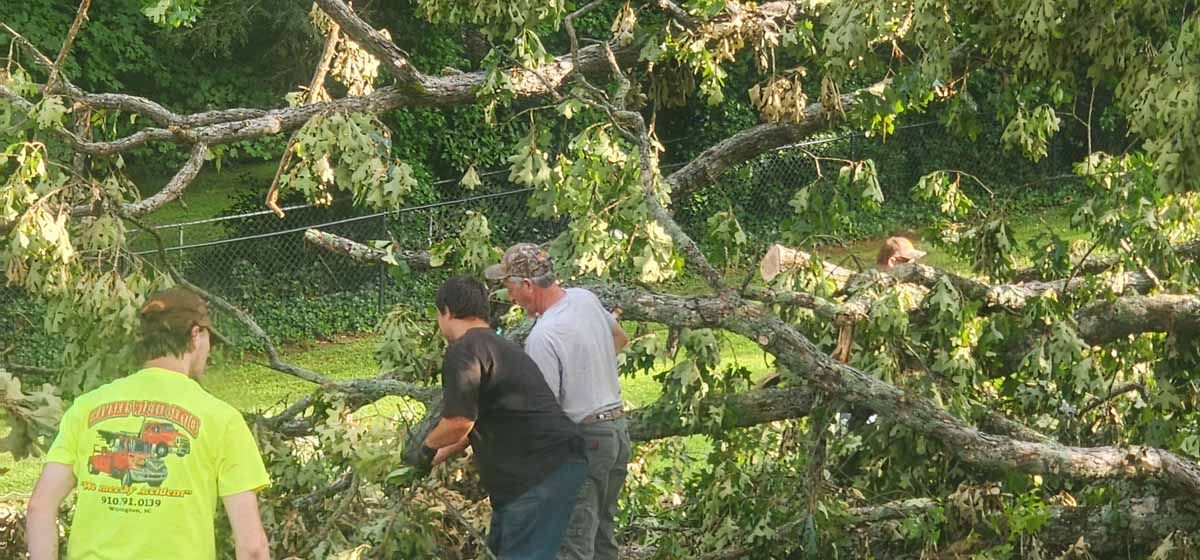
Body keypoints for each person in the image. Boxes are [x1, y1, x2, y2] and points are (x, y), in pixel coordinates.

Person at [26, 287, 271, 560]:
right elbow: (252, 547)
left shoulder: (87, 407)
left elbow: (40, 507)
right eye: (209, 338)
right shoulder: (222, 420)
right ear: (195, 335)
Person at [413, 276, 587, 559]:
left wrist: (423, 448)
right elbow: (472, 428)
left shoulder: (464, 351)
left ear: (446, 311)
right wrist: (427, 462)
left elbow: (458, 422)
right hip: (548, 470)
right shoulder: (496, 346)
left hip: (539, 475)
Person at [485, 243, 631, 560]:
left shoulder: (543, 336)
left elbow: (545, 412)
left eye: (509, 286)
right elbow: (620, 339)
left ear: (526, 285)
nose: (509, 296)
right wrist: (589, 372)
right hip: (617, 432)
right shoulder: (584, 298)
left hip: (585, 441)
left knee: (573, 542)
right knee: (603, 539)